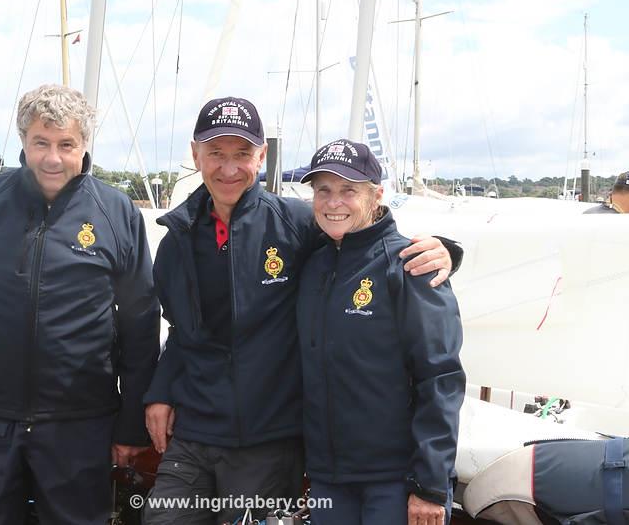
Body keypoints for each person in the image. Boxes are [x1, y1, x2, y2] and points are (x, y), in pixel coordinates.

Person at [142, 97, 462, 525]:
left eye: (242, 154)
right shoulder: (176, 239)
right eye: (216, 153)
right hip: (197, 431)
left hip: (269, 441)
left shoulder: (297, 224)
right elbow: (181, 329)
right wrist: (160, 391)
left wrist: (445, 252)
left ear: (262, 156)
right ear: (196, 153)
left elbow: (364, 238)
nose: (229, 168)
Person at [0, 84, 160, 524]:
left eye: (66, 144)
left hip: (81, 426)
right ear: (23, 143)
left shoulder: (117, 213)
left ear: (84, 145)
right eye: (41, 143)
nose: (53, 158)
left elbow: (140, 327)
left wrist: (131, 425)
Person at [296, 139, 465, 525]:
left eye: (348, 191)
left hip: (396, 481)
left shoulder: (409, 266)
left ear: (376, 196)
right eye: (324, 190)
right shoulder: (313, 264)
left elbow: (440, 377)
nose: (333, 202)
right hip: (328, 478)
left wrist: (430, 484)